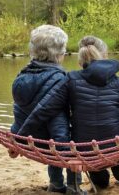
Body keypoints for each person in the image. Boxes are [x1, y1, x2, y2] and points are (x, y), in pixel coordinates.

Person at [18, 36, 119, 191]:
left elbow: (43, 110)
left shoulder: (69, 80)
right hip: (116, 148)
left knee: (101, 182)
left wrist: (20, 138)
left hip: (86, 153)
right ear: (105, 56)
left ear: (80, 60)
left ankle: (102, 174)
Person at [10, 24, 80, 194]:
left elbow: (20, 112)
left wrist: (16, 138)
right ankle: (74, 186)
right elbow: (58, 124)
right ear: (60, 54)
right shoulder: (61, 80)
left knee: (52, 139)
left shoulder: (20, 77)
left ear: (32, 50)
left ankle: (55, 183)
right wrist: (67, 155)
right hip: (52, 141)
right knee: (73, 138)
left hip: (29, 139)